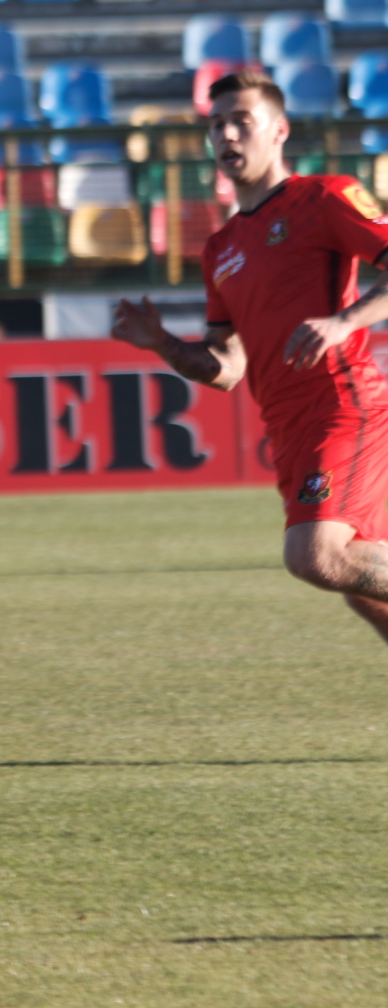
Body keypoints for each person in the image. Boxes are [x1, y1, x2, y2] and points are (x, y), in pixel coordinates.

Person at [115, 70, 388, 637]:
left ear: (280, 130)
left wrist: (345, 321)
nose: (228, 135)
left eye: (242, 121)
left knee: (317, 557)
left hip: (343, 406)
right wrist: (162, 344)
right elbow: (229, 369)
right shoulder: (220, 249)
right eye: (217, 125)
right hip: (287, 429)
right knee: (365, 590)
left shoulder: (325, 197)